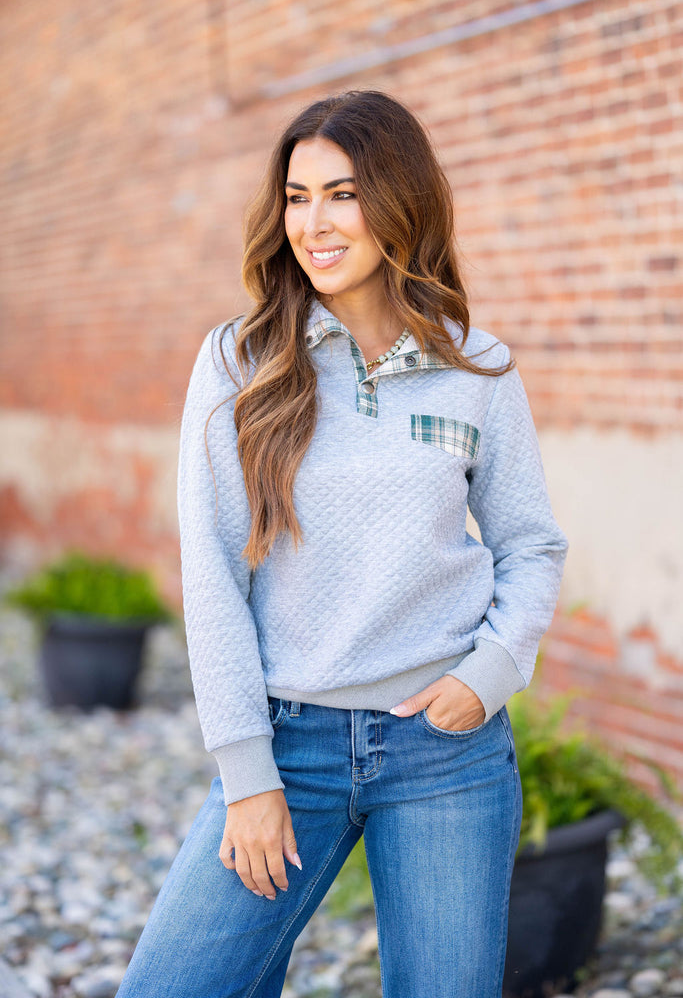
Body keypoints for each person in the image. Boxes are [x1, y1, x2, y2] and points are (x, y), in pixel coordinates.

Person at [116, 89, 568, 998]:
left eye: (342, 194)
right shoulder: (240, 361)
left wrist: (489, 674)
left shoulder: (475, 367)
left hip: (444, 751)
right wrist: (247, 775)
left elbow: (530, 545)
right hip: (288, 746)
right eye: (297, 197)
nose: (312, 224)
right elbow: (212, 573)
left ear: (400, 202)